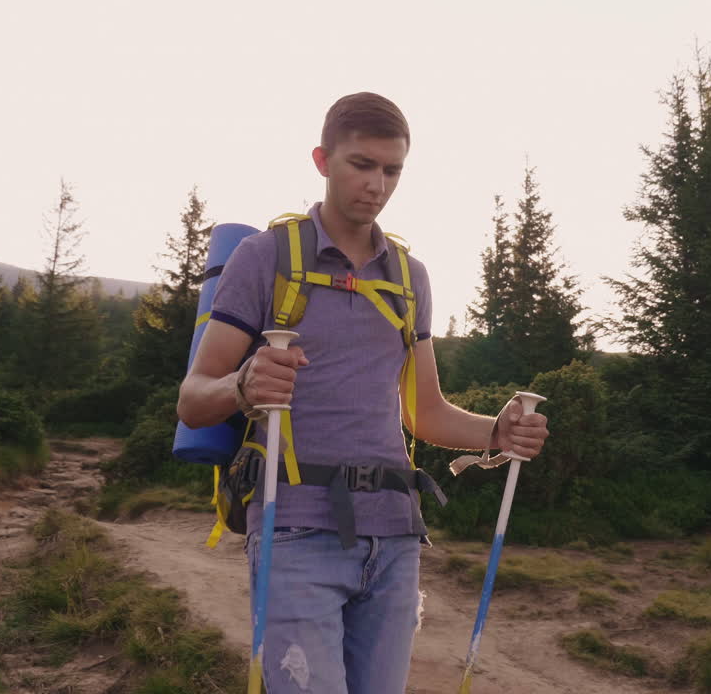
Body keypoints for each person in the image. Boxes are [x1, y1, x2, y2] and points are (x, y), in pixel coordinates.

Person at [177, 92, 550, 694]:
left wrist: (496, 433)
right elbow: (193, 399)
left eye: (392, 170)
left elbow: (424, 413)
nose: (376, 184)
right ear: (323, 160)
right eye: (361, 164)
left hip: (397, 534)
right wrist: (243, 385)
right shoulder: (265, 257)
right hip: (294, 525)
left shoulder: (409, 276)